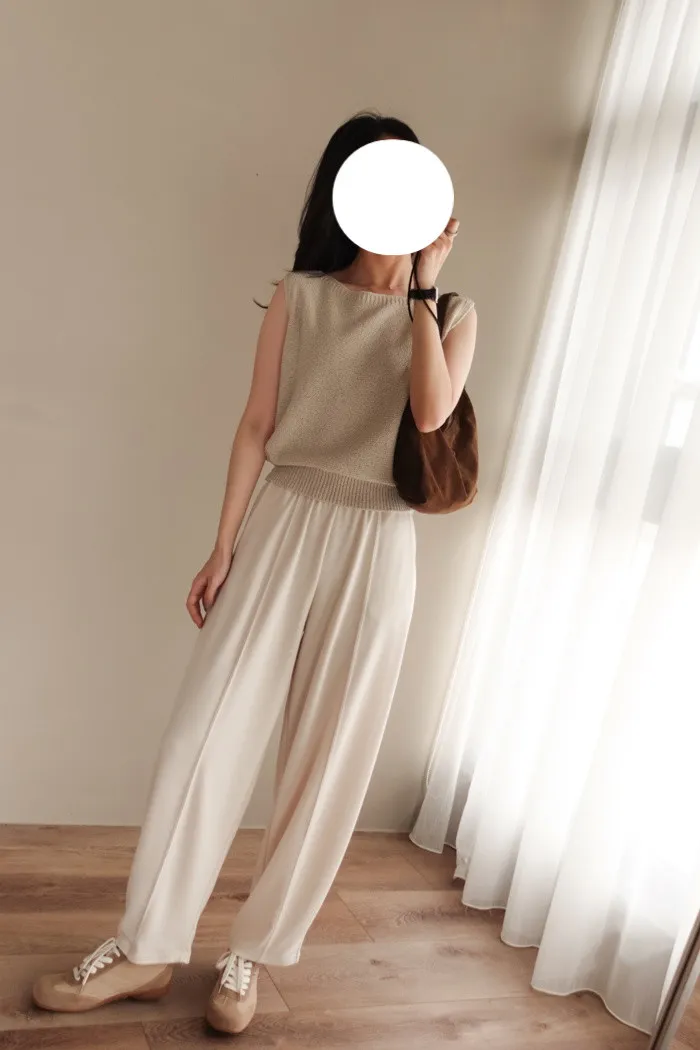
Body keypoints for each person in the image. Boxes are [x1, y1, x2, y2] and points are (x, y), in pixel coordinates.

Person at [31, 110, 478, 1035]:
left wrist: (423, 291)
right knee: (204, 734)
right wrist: (224, 542)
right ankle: (149, 946)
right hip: (284, 518)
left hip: (379, 541)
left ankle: (255, 954)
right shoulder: (300, 297)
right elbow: (255, 425)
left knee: (329, 758)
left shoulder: (452, 313)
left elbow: (432, 415)